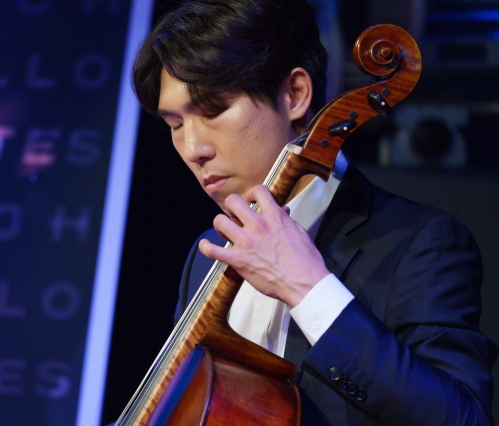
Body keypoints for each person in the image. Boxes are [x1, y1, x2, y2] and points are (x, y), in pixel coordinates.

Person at [131, 0, 498, 424]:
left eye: (213, 110)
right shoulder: (208, 252)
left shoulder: (420, 243)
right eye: (175, 125)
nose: (194, 149)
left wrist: (309, 289)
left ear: (295, 94)